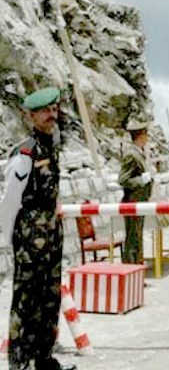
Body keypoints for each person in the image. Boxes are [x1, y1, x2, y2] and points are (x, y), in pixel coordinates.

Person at [0, 87, 77, 370]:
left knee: (49, 299)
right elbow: (9, 201)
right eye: (44, 111)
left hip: (51, 237)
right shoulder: (25, 153)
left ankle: (44, 359)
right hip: (30, 238)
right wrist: (10, 239)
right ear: (31, 115)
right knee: (26, 302)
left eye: (54, 110)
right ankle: (18, 364)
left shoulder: (50, 147)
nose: (51, 115)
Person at [118, 120, 153, 264]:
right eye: (146, 134)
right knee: (133, 239)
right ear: (140, 136)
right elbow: (123, 179)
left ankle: (137, 272)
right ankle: (129, 270)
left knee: (137, 238)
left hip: (140, 202)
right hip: (133, 202)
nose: (148, 137)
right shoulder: (131, 154)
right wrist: (141, 180)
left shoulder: (139, 153)